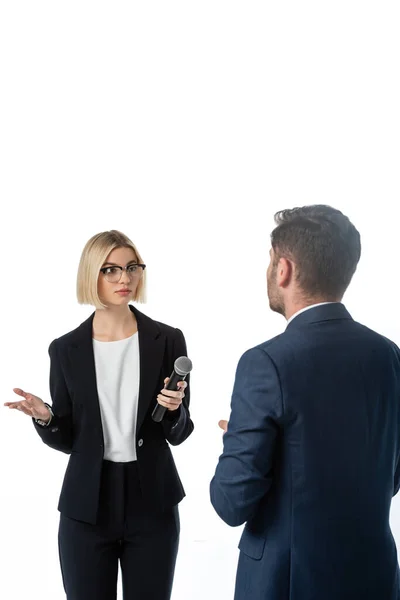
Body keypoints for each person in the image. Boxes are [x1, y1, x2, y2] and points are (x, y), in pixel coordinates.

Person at [210, 205, 400, 600]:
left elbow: (230, 503)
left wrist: (239, 444)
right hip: (376, 577)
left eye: (269, 261)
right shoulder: (389, 355)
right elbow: (390, 476)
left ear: (284, 269)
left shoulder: (266, 362)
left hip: (288, 583)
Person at [5, 229, 194, 600]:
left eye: (131, 267)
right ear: (91, 274)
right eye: (110, 270)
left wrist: (174, 411)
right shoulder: (65, 349)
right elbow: (69, 439)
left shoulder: (168, 340)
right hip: (87, 504)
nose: (124, 278)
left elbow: (180, 431)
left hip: (152, 500)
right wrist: (45, 416)